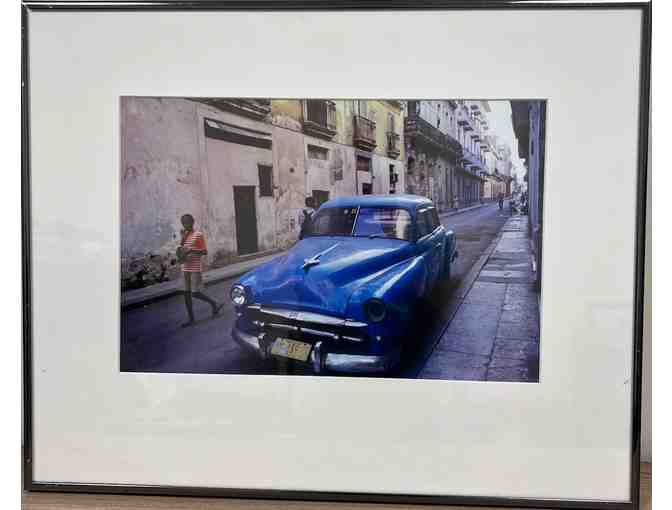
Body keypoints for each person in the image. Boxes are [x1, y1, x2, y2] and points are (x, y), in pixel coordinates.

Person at [177, 214, 222, 327]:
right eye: (183, 223)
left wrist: (191, 251)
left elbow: (204, 252)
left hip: (195, 268)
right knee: (186, 294)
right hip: (185, 267)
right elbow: (181, 249)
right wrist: (182, 240)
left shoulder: (198, 235)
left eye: (187, 222)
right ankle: (191, 319)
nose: (185, 225)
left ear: (192, 222)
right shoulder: (184, 236)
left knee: (195, 293)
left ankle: (215, 303)